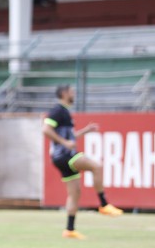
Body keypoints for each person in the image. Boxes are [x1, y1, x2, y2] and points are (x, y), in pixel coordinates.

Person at [42, 85, 122, 239]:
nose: (74, 95)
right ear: (64, 93)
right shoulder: (58, 110)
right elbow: (45, 129)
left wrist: (85, 130)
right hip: (65, 155)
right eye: (72, 92)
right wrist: (64, 143)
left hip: (60, 158)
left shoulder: (64, 112)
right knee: (96, 166)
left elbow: (70, 137)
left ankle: (69, 230)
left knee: (74, 194)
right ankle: (104, 204)